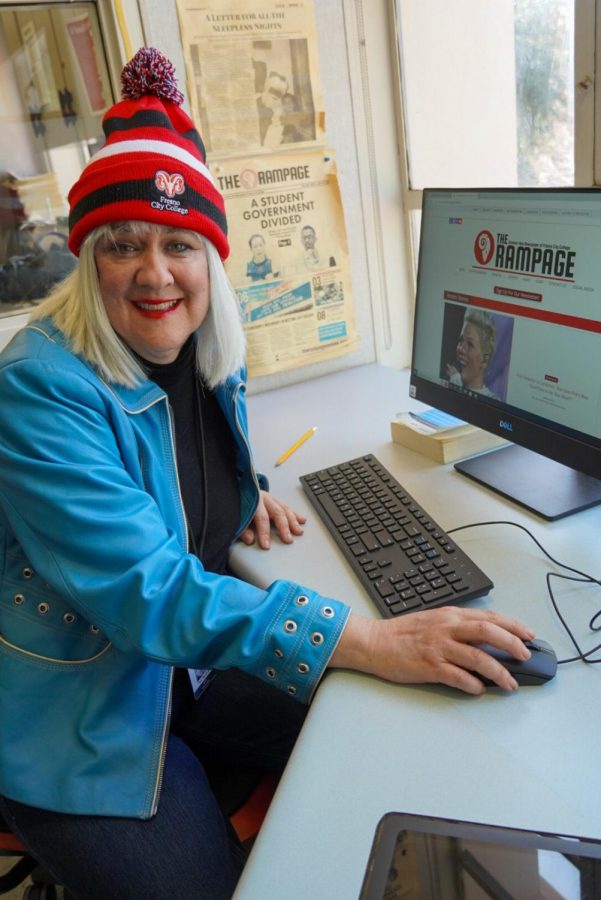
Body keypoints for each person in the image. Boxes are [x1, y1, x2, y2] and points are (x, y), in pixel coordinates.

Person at [0, 48, 535, 900]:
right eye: (123, 245)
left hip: (188, 672)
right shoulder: (39, 385)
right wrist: (363, 637)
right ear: (85, 256)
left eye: (181, 244)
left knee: (404, 724)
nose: (155, 272)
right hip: (87, 709)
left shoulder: (202, 348)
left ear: (211, 261)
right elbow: (145, 590)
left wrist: (236, 500)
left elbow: (179, 463)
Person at [446, 308, 498, 397]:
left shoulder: (493, 400)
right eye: (460, 340)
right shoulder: (452, 382)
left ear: (485, 359)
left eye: (470, 344)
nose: (461, 349)